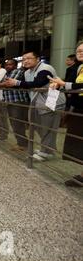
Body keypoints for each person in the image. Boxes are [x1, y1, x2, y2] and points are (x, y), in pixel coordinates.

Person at [3, 50, 66, 161]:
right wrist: (11, 83)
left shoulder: (45, 68)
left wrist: (16, 83)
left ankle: (46, 152)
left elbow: (38, 83)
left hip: (51, 102)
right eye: (24, 59)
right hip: (38, 102)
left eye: (29, 58)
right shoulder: (27, 72)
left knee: (48, 128)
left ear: (37, 59)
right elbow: (24, 85)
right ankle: (47, 149)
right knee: (38, 126)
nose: (26, 61)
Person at [49, 41, 83, 186]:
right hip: (79, 109)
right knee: (79, 142)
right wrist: (58, 84)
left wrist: (64, 84)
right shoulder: (79, 68)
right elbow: (71, 84)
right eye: (78, 50)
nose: (80, 52)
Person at [0, 59, 30, 151]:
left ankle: (23, 144)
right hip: (11, 101)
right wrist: (0, 84)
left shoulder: (17, 71)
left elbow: (9, 84)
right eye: (6, 65)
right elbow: (3, 83)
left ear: (15, 65)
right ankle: (22, 143)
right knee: (15, 123)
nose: (8, 66)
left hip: (18, 101)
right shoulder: (7, 74)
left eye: (10, 64)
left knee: (17, 123)